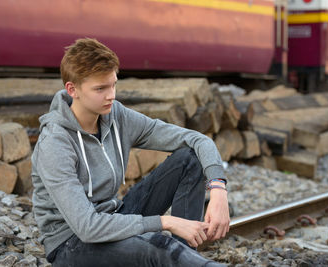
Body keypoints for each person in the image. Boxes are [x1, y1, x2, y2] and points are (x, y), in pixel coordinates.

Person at [31, 38, 230, 267]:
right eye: (100, 89)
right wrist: (165, 222)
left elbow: (197, 140)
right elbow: (87, 227)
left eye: (113, 84)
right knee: (160, 247)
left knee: (189, 159)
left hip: (114, 217)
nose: (111, 95)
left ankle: (184, 257)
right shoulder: (55, 143)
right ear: (72, 90)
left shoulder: (116, 116)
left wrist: (218, 190)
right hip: (71, 244)